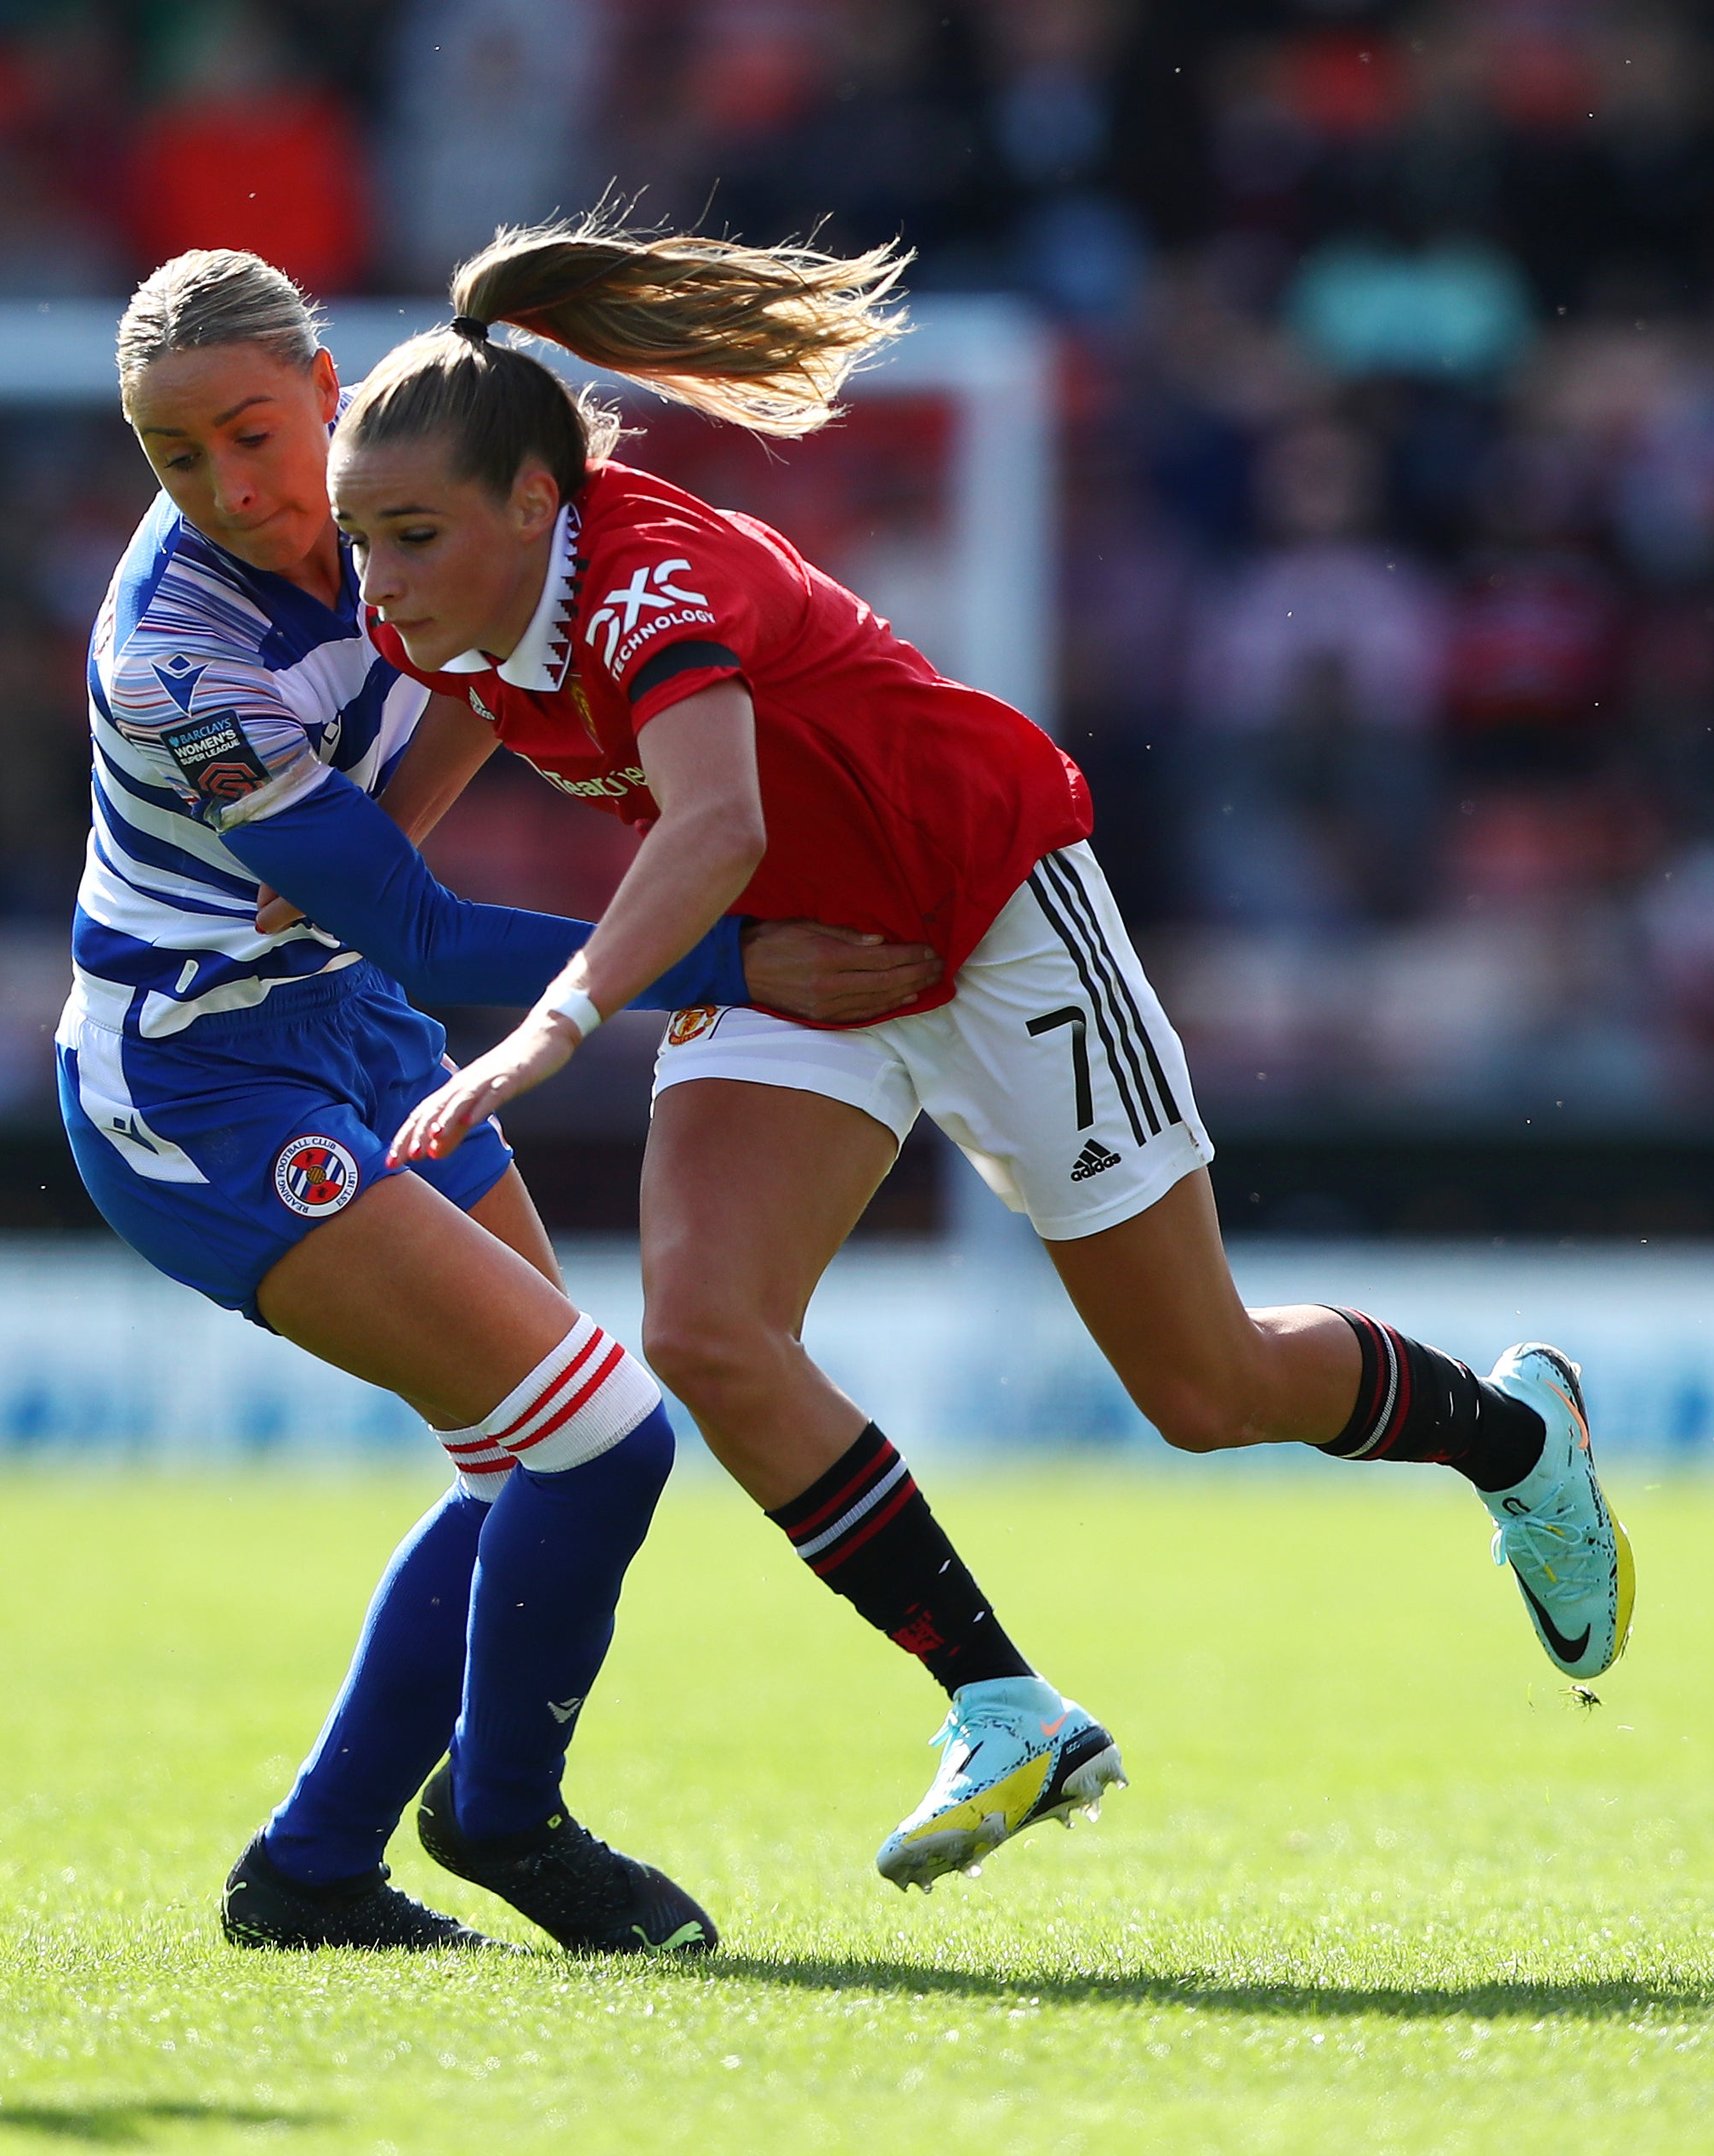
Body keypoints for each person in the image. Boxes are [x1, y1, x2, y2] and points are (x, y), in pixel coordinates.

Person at [331, 216, 1631, 1891]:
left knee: (1205, 1385)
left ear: (534, 502)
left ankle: (1515, 1439)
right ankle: (1004, 1702)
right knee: (710, 1334)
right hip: (799, 966)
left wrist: (560, 1021)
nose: (382, 582)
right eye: (365, 541)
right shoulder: (444, 625)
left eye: (412, 534)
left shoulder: (652, 577)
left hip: (992, 909)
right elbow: (388, 854)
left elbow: (715, 819)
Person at [76, 250, 935, 1954]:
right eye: (178, 458)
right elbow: (421, 920)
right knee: (602, 1431)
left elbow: (452, 726)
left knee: (519, 1456)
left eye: (252, 432)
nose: (231, 487)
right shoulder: (176, 658)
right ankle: (505, 1816)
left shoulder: (410, 485)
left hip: (355, 1023)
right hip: (197, 1075)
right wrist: (739, 961)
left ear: (329, 386)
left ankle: (313, 1870)